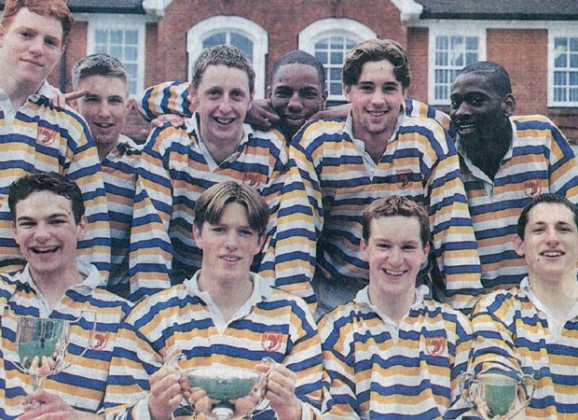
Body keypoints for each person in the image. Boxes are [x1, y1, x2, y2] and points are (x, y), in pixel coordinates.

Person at [273, 38, 481, 315]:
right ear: (347, 90)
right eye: (367, 88)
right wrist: (294, 315)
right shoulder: (316, 142)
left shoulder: (428, 141)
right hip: (337, 288)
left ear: (404, 92)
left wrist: (467, 312)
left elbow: (453, 233)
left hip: (411, 288)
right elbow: (295, 234)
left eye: (389, 88)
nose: (378, 100)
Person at [103, 181, 324, 419]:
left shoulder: (292, 316)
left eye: (244, 232)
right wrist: (155, 409)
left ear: (260, 242)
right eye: (219, 229)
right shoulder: (150, 316)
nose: (231, 243)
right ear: (197, 234)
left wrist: (291, 409)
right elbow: (114, 412)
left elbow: (320, 411)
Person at [129, 44, 288, 297]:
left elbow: (272, 242)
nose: (225, 107)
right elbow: (150, 236)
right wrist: (154, 312)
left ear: (251, 99)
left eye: (236, 95)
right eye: (214, 94)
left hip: (243, 284)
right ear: (193, 95)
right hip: (177, 280)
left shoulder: (271, 149)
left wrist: (264, 311)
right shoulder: (168, 143)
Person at [318, 195, 473, 418]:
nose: (395, 259)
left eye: (408, 247)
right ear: (364, 248)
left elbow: (468, 410)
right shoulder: (335, 330)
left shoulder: (455, 327)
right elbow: (337, 413)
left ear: (425, 251)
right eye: (384, 245)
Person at [0, 172, 131, 418]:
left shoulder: (122, 316)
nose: (41, 234)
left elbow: (127, 413)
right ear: (15, 231)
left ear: (81, 226)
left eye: (56, 221)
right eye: (28, 223)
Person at [0, 0, 111, 277]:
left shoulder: (69, 127)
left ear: (61, 51)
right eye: (26, 34)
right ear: (2, 32)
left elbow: (91, 234)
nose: (37, 49)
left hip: (31, 298)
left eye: (50, 42)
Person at [450, 61, 578, 292]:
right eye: (455, 103)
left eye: (476, 101)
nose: (461, 112)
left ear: (507, 105)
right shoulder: (446, 155)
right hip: (472, 307)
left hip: (542, 298)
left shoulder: (542, 138)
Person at [467, 193, 578, 417]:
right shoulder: (496, 309)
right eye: (539, 230)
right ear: (520, 245)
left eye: (563, 229)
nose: (552, 238)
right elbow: (500, 401)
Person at [135, 49, 328, 143]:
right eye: (283, 93)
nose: (294, 103)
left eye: (308, 94)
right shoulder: (247, 128)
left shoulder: (336, 137)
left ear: (324, 98)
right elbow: (145, 100)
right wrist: (244, 108)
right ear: (269, 94)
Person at [71, 53, 141, 300]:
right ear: (72, 104)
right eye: (92, 100)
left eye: (114, 100)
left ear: (128, 106)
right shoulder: (54, 158)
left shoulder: (142, 163)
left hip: (120, 307)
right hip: (62, 301)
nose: (104, 112)